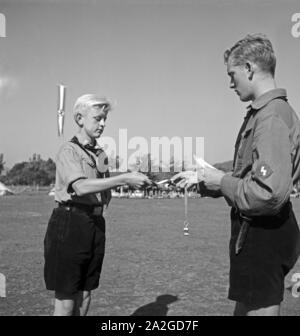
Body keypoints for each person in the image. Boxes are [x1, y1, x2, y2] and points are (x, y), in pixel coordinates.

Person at [173, 34, 300, 316]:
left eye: (232, 74)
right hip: (260, 232)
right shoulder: (267, 113)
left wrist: (221, 181)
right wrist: (209, 180)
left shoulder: (270, 116)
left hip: (264, 234)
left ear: (249, 68)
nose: (230, 83)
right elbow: (252, 176)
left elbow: (268, 194)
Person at [44, 94, 151, 316]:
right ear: (79, 118)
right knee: (66, 297)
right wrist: (124, 178)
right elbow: (81, 187)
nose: (103, 124)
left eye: (105, 119)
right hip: (70, 222)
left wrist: (137, 180)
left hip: (94, 224)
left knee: (85, 293)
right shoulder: (68, 151)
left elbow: (104, 188)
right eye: (97, 118)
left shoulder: (100, 153)